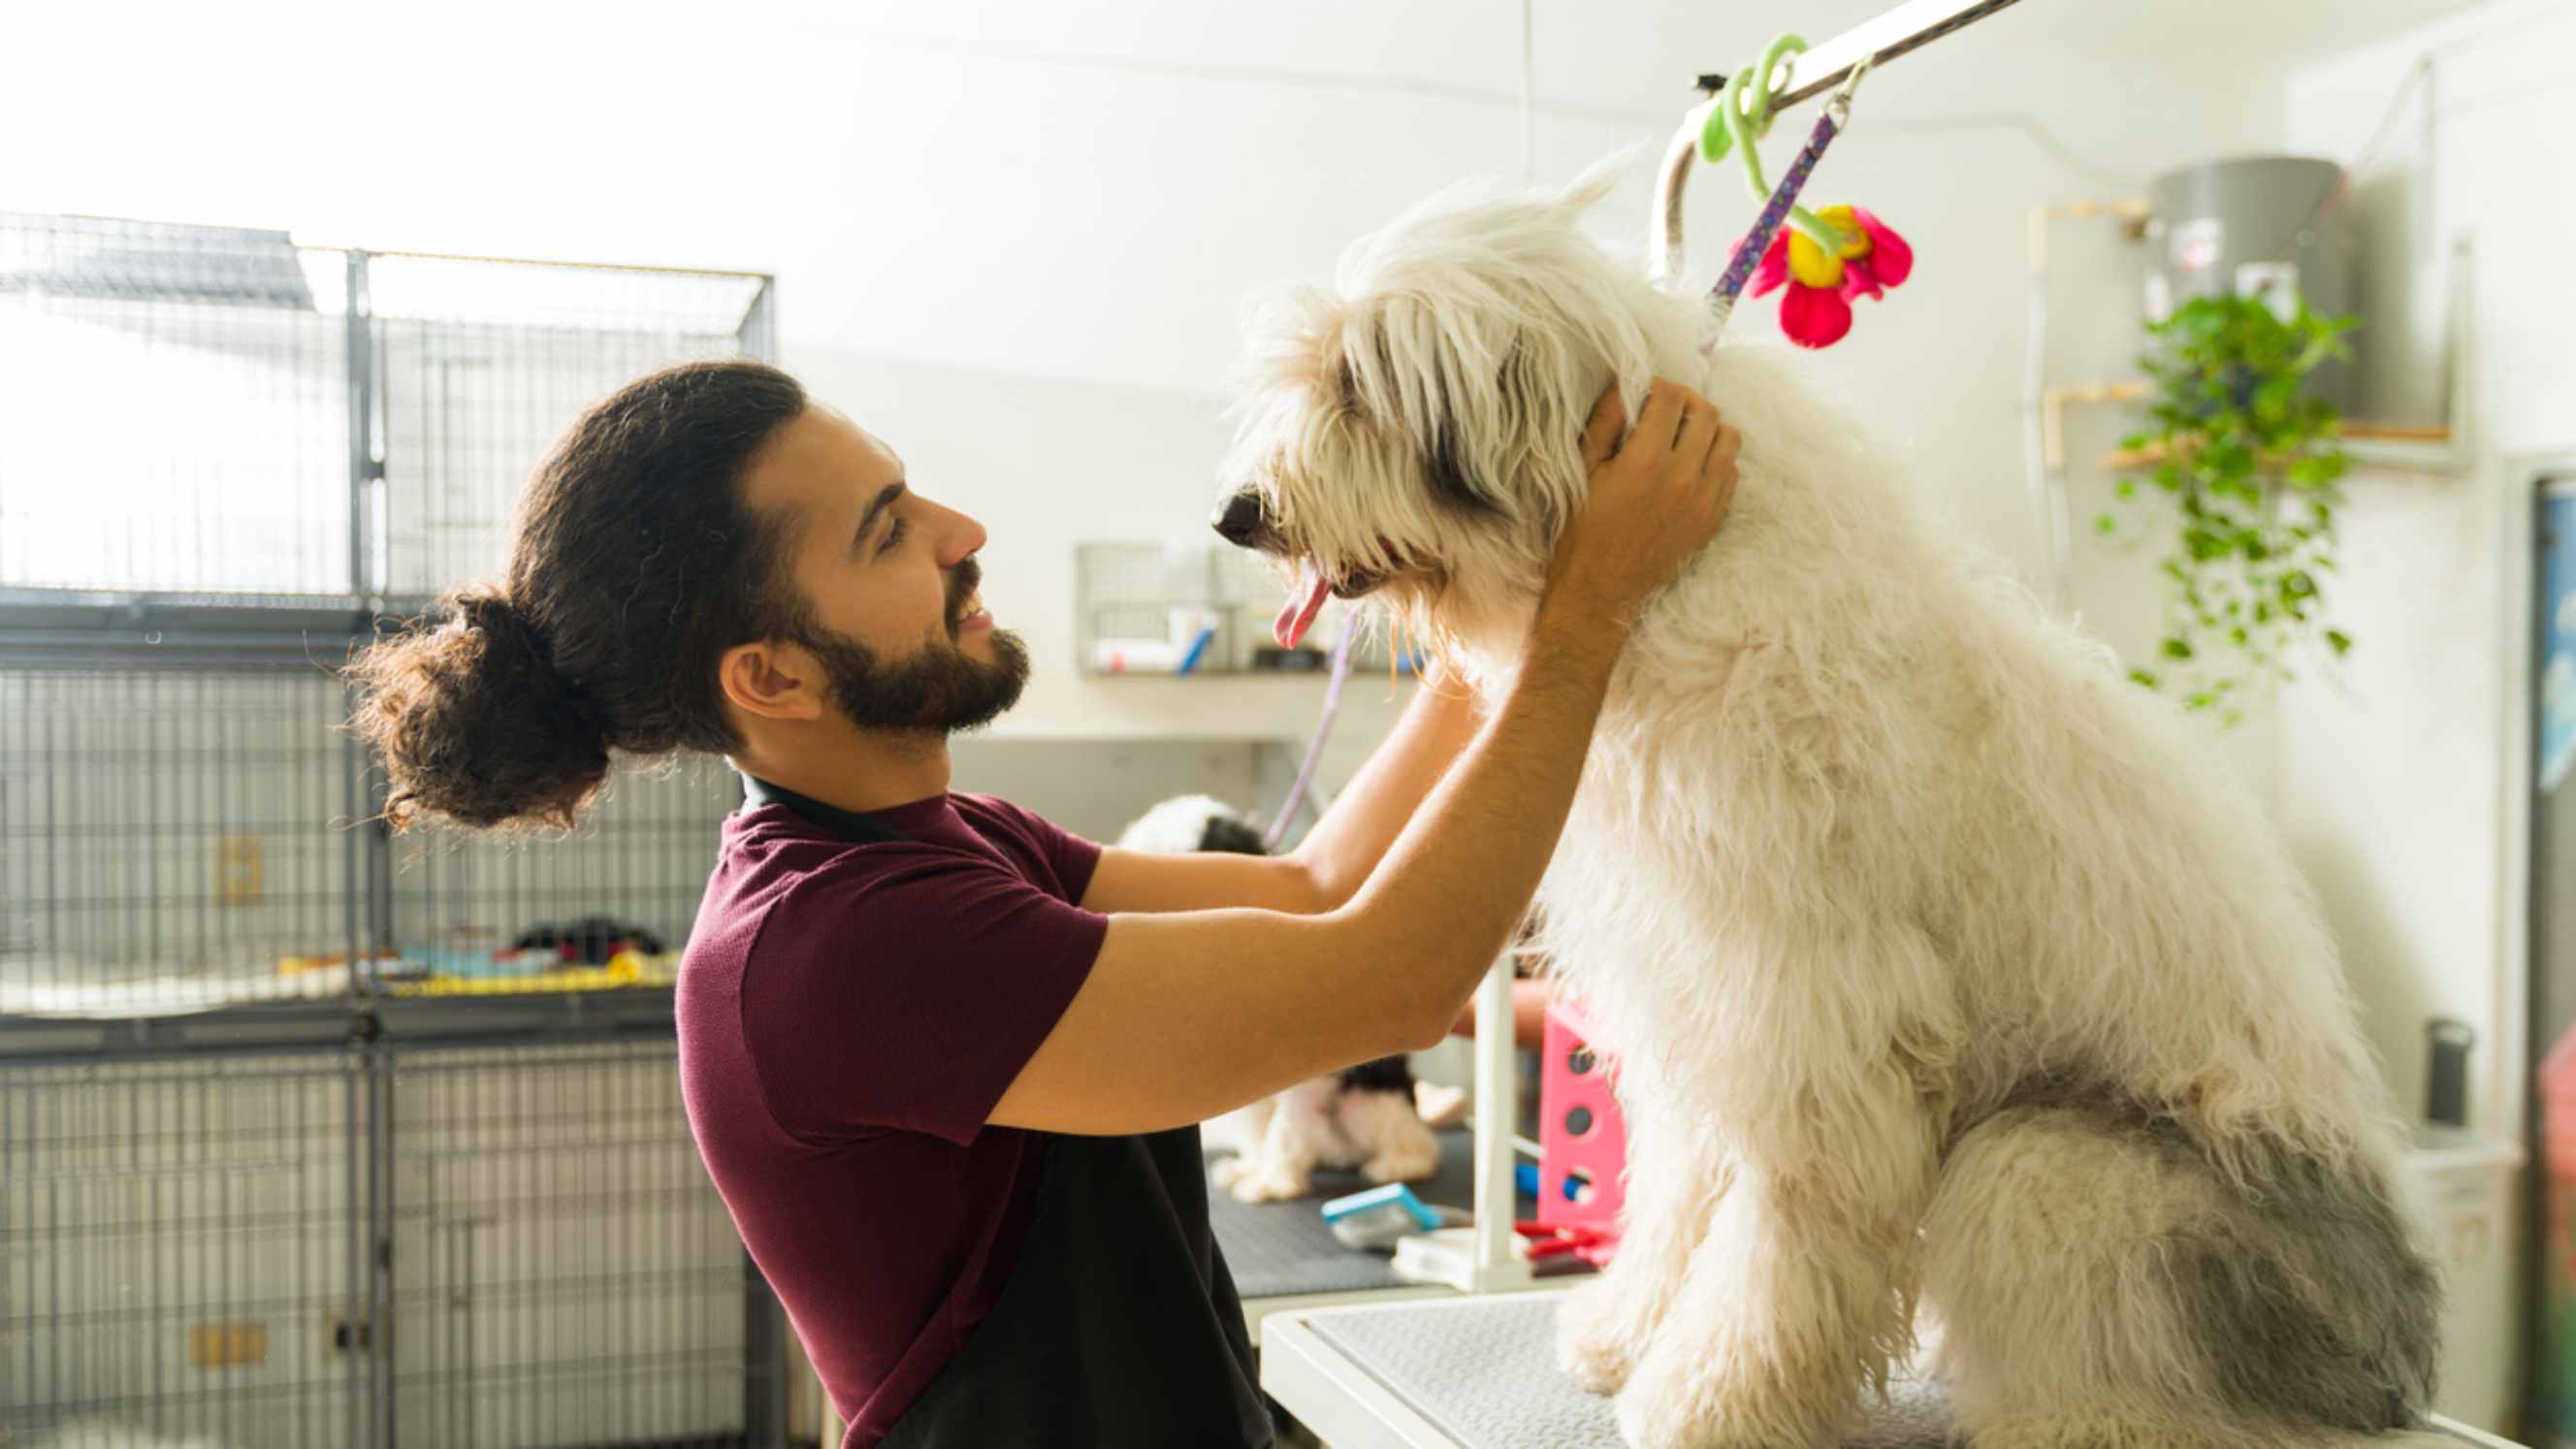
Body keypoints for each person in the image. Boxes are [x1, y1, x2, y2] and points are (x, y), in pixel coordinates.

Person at [345, 358, 1741, 1447]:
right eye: (890, 531)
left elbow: (1324, 887)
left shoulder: (927, 845)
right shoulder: (846, 946)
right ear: (767, 676)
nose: (964, 531)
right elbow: (1394, 976)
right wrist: (1587, 618)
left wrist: (1488, 609)